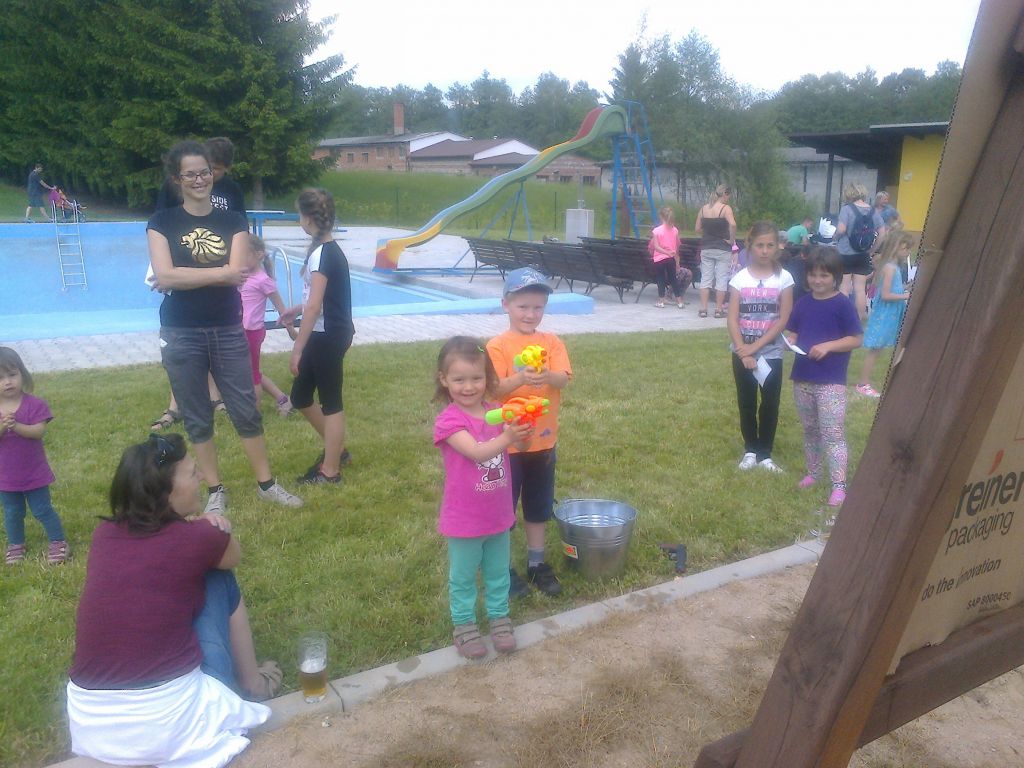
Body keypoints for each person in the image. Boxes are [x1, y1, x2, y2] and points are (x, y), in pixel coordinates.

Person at [66, 433, 278, 767]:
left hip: (93, 728)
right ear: (168, 492)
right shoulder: (200, 537)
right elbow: (233, 556)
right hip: (171, 725)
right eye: (193, 473)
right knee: (220, 577)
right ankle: (253, 682)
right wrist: (215, 527)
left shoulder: (104, 534)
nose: (203, 478)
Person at [148, 140, 302, 512]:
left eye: (204, 172)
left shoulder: (233, 221)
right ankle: (215, 490)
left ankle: (266, 484)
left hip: (227, 327)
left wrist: (183, 275)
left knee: (245, 408)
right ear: (177, 179)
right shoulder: (162, 223)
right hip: (181, 330)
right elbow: (165, 275)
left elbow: (235, 272)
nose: (199, 180)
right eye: (190, 174)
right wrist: (219, 274)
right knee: (196, 414)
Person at [433, 336, 533, 659]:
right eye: (459, 379)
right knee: (463, 577)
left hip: (497, 514)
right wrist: (508, 436)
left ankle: (499, 618)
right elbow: (477, 452)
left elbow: (521, 446)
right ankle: (464, 625)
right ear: (444, 380)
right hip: (464, 518)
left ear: (488, 379)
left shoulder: (497, 412)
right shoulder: (450, 421)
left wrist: (523, 433)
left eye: (476, 378)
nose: (469, 387)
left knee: (498, 572)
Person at [487, 267, 572, 597]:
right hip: (507, 444)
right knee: (503, 511)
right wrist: (521, 378)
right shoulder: (497, 346)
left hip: (543, 442)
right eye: (523, 306)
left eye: (538, 307)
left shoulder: (551, 342)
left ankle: (537, 564)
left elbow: (563, 378)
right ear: (506, 305)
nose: (530, 314)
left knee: (538, 506)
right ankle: (502, 568)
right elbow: (493, 389)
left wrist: (546, 375)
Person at [282, 188, 355, 485]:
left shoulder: (324, 254)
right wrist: (297, 309)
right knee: (300, 397)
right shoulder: (326, 252)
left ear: (308, 218)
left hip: (328, 337)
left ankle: (330, 471)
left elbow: (315, 307)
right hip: (326, 333)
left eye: (299, 214)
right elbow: (318, 299)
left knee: (331, 402)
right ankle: (337, 450)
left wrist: (298, 348)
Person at [784, 247, 863, 508]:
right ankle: (814, 473)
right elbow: (794, 331)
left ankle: (839, 485)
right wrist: (790, 341)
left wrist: (828, 346)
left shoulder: (843, 304)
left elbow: (856, 339)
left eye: (824, 275)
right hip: (803, 378)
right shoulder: (803, 303)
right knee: (810, 430)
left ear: (836, 276)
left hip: (831, 381)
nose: (817, 280)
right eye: (813, 275)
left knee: (832, 433)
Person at [727, 221, 794, 473]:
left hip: (771, 354)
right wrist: (742, 349)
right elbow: (732, 318)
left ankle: (765, 453)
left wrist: (755, 347)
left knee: (770, 403)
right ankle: (750, 450)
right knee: (746, 402)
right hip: (742, 352)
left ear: (777, 247)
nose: (765, 251)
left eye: (770, 245)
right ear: (749, 245)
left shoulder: (784, 278)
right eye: (759, 245)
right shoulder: (739, 279)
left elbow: (783, 319)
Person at [0, 347, 69, 565]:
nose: (7, 382)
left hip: (34, 473)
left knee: (42, 509)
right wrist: (3, 427)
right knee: (12, 512)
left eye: (12, 374)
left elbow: (38, 432)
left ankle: (58, 542)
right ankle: (16, 544)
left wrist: (16, 426)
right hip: (5, 476)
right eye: (0, 378)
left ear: (23, 374)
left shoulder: (35, 404)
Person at [241, 233, 295, 417]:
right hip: (239, 331)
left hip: (252, 332)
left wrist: (290, 329)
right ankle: (282, 398)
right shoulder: (241, 276)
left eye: (244, 255)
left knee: (253, 375)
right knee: (250, 370)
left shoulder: (263, 280)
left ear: (259, 254)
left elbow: (282, 309)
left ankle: (253, 415)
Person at [856, 229, 915, 398]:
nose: (908, 252)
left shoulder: (893, 267)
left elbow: (893, 289)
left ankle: (865, 382)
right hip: (885, 315)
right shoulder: (890, 268)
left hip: (891, 314)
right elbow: (886, 295)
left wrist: (906, 287)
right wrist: (906, 295)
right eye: (906, 248)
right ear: (896, 247)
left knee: (879, 348)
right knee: (875, 349)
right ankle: (863, 383)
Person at [155, 136, 246, 214]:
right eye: (207, 167)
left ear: (227, 168)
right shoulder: (174, 183)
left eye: (215, 168)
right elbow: (160, 217)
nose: (209, 172)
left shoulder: (232, 189)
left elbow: (241, 223)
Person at [835, 183, 884, 322]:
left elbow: (841, 229)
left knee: (844, 287)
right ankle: (860, 317)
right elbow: (882, 233)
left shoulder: (846, 209)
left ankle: (843, 317)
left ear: (848, 194)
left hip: (845, 253)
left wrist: (835, 237)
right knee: (860, 289)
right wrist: (872, 250)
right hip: (863, 254)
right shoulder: (873, 211)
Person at [695, 184, 737, 318]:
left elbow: (697, 228)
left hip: (706, 247)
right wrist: (731, 240)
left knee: (705, 279)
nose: (728, 199)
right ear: (725, 194)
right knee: (721, 280)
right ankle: (718, 310)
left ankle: (703, 309)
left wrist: (709, 231)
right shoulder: (726, 208)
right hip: (722, 248)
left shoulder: (703, 209)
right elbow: (733, 224)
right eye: (729, 196)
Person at [649, 206, 684, 308]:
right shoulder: (675, 230)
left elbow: (656, 247)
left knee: (661, 279)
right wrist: (673, 256)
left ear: (661, 217)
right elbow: (677, 245)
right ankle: (679, 301)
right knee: (673, 279)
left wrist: (665, 252)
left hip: (659, 259)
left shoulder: (656, 231)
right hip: (671, 258)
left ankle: (661, 301)